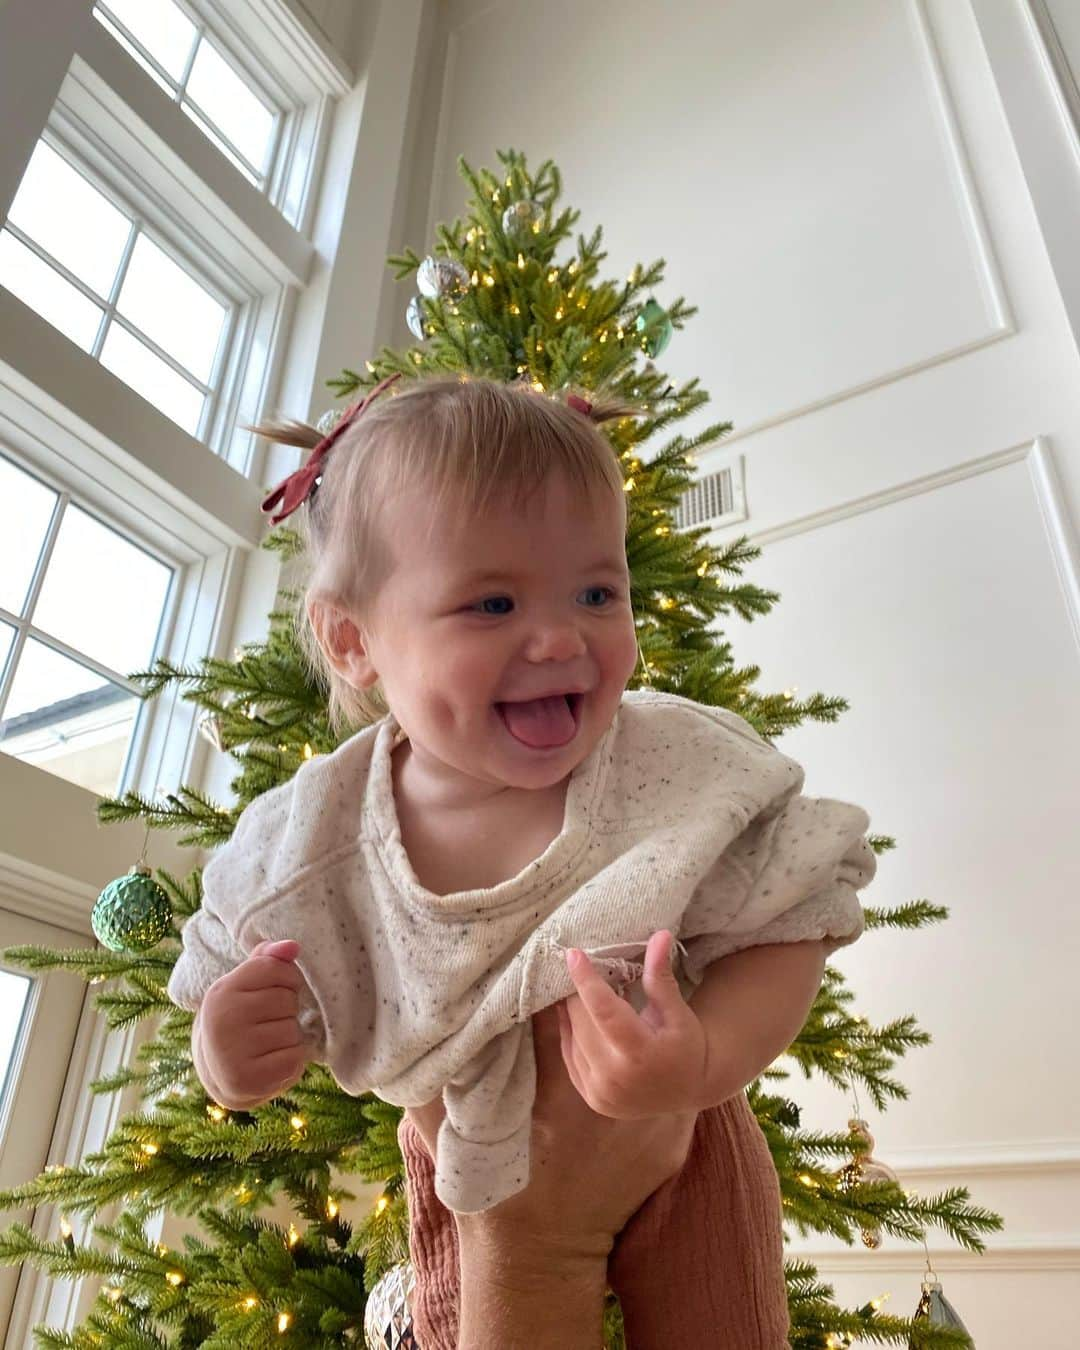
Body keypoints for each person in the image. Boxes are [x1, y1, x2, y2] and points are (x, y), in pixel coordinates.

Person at [169, 374, 877, 1347]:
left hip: (690, 1140)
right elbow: (230, 971)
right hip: (464, 1160)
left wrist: (705, 1058)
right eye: (492, 602)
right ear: (351, 638)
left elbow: (792, 920)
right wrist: (229, 1049)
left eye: (597, 591)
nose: (560, 636)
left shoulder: (672, 765)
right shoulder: (312, 839)